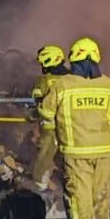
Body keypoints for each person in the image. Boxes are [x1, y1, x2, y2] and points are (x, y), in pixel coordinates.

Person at [37, 37, 110, 219]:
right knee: (101, 192)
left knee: (79, 195)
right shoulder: (108, 84)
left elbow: (46, 112)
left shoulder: (63, 84)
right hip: (104, 150)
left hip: (76, 150)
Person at [28, 44, 67, 189]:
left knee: (44, 157)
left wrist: (32, 116)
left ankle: (40, 185)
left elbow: (38, 103)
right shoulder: (73, 79)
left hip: (50, 127)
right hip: (72, 126)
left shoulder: (44, 81)